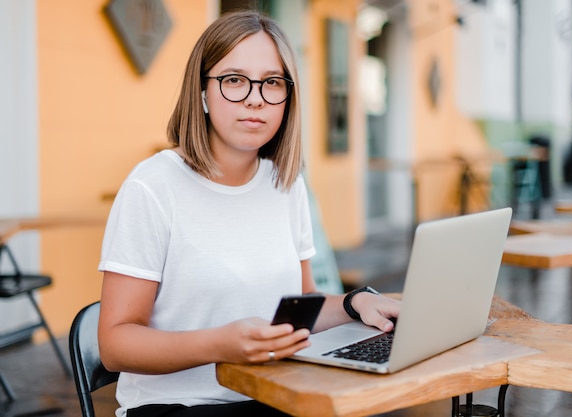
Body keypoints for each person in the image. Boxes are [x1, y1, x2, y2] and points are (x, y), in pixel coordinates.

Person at [98, 9, 400, 417]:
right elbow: (115, 346)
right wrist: (218, 346)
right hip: (180, 406)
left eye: (272, 82)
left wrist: (353, 303)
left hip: (274, 393)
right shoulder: (152, 187)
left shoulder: (286, 183)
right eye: (234, 80)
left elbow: (302, 307)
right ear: (202, 92)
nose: (255, 98)